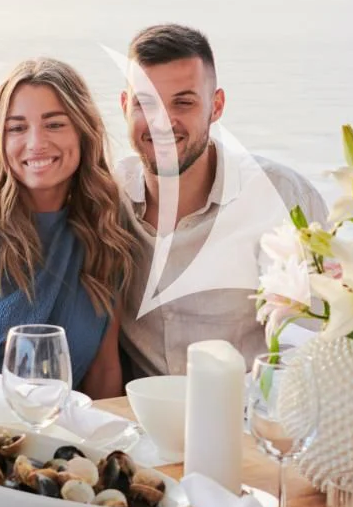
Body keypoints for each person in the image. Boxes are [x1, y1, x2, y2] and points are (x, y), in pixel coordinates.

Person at [116, 23, 327, 377]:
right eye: (145, 103)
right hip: (142, 421)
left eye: (183, 102)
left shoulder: (283, 198)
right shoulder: (107, 198)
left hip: (249, 416)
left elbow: (310, 348)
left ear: (216, 106)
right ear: (125, 106)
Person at [0, 57, 137, 397]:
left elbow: (103, 372)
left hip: (46, 436)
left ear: (83, 132)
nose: (36, 143)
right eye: (17, 128)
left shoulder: (106, 239)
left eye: (54, 124)